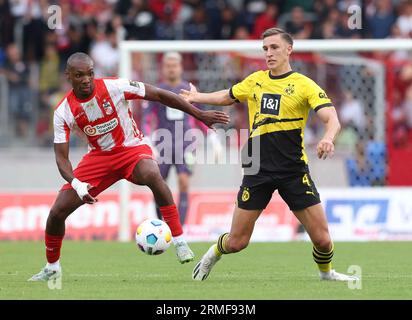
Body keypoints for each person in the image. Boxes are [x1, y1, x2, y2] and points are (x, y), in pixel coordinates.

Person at [28, 52, 229, 282]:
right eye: (79, 75)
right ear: (69, 76)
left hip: (131, 148)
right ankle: (52, 267)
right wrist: (76, 184)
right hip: (99, 159)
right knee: (56, 213)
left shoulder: (115, 86)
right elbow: (61, 157)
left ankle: (179, 240)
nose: (86, 79)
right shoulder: (63, 111)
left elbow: (160, 95)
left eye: (90, 74)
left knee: (152, 174)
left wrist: (199, 113)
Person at [180, 27, 358, 282]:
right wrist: (197, 97)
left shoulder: (304, 85)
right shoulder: (255, 80)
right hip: (258, 169)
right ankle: (212, 254)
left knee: (322, 238)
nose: (268, 53)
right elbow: (228, 95)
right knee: (237, 242)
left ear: (289, 49)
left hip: (293, 170)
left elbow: (332, 118)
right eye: (265, 49)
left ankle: (326, 273)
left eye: (274, 47)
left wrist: (328, 138)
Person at [143, 52, 217, 225]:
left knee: (184, 182)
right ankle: (160, 224)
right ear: (163, 68)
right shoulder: (157, 91)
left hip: (186, 144)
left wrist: (213, 138)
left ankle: (180, 228)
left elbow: (201, 117)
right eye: (168, 65)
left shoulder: (189, 92)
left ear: (180, 67)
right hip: (162, 145)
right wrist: (147, 139)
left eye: (174, 65)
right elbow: (146, 118)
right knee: (158, 185)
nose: (171, 69)